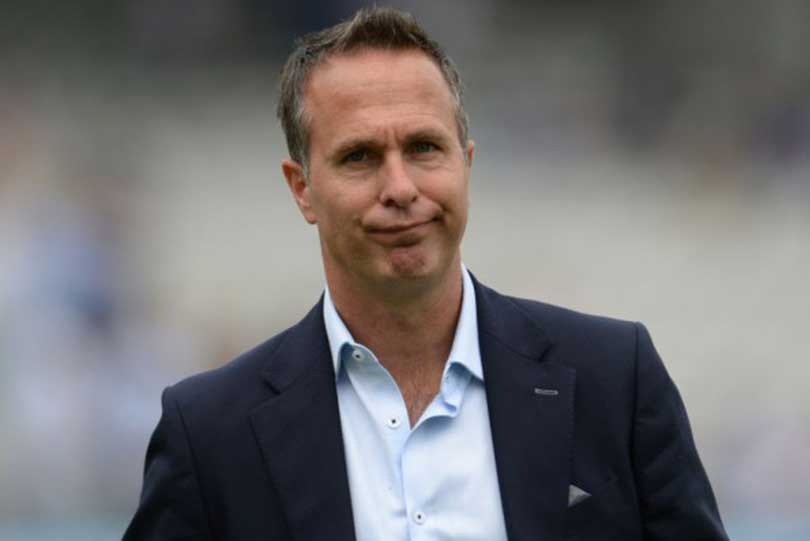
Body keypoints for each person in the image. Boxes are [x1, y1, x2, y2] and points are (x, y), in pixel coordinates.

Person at [124, 7, 728, 541]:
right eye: (360, 156)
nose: (400, 187)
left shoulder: (615, 382)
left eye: (423, 148)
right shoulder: (210, 434)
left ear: (466, 162)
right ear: (302, 188)